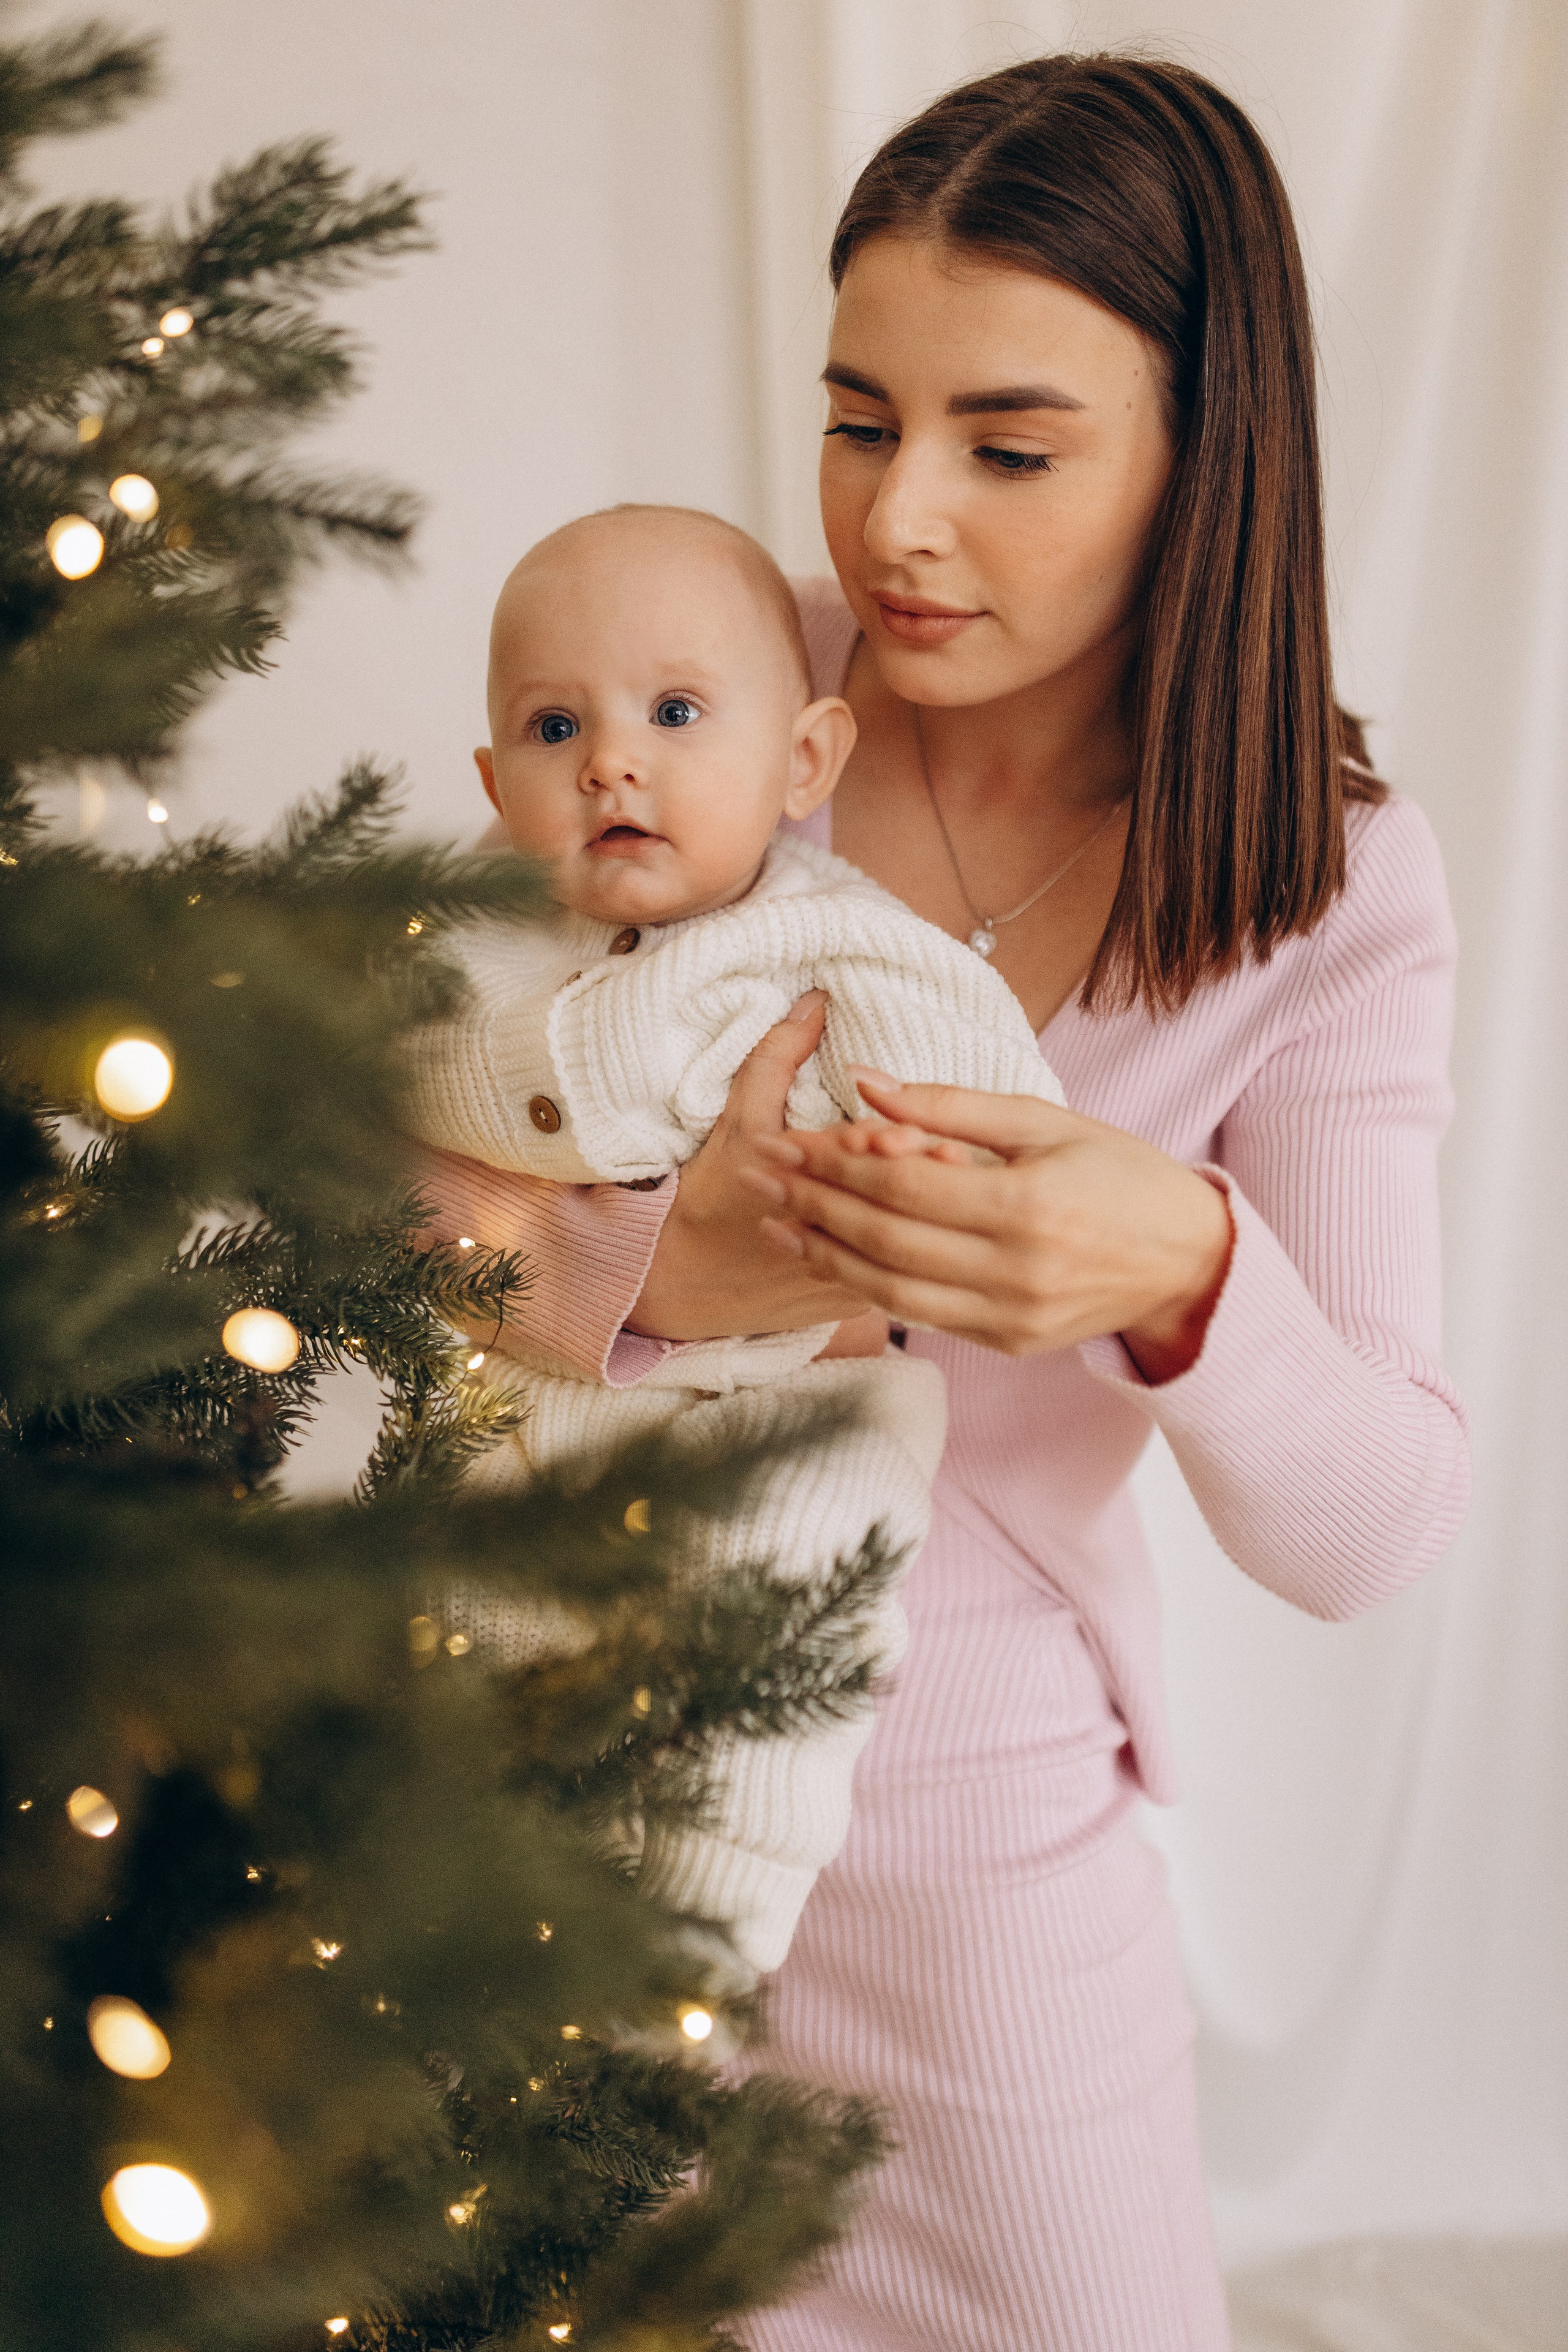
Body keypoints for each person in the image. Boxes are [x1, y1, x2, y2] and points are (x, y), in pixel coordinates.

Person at [420, 53, 1471, 2352]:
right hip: (565, 1736)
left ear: (1210, 452)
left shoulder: (1328, 884)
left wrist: (1189, 1276)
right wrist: (653, 1267)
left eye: (1008, 449)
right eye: (855, 416)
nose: (898, 526)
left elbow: (1381, 1521)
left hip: (976, 1813)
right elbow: (348, 1198)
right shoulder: (700, 684)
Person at [402, 501, 1064, 1980]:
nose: (611, 761)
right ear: (498, 786)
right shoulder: (482, 949)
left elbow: (1004, 1107)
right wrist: (607, 1139)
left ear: (802, 762)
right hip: (548, 1400)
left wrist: (903, 1160)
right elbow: (406, 1088)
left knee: (781, 1632)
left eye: (676, 712)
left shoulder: (839, 941)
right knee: (485, 1631)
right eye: (554, 725)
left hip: (796, 1401)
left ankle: (699, 1957)